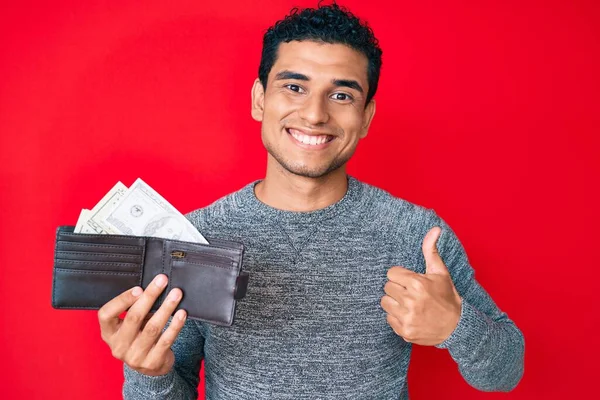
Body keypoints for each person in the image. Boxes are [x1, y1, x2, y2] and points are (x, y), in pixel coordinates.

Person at [97, 3, 524, 399]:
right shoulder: (197, 237)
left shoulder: (416, 234)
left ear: (367, 117)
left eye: (342, 95)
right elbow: (177, 384)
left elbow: (507, 370)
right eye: (295, 87)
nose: (316, 114)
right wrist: (148, 375)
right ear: (259, 99)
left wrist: (456, 327)